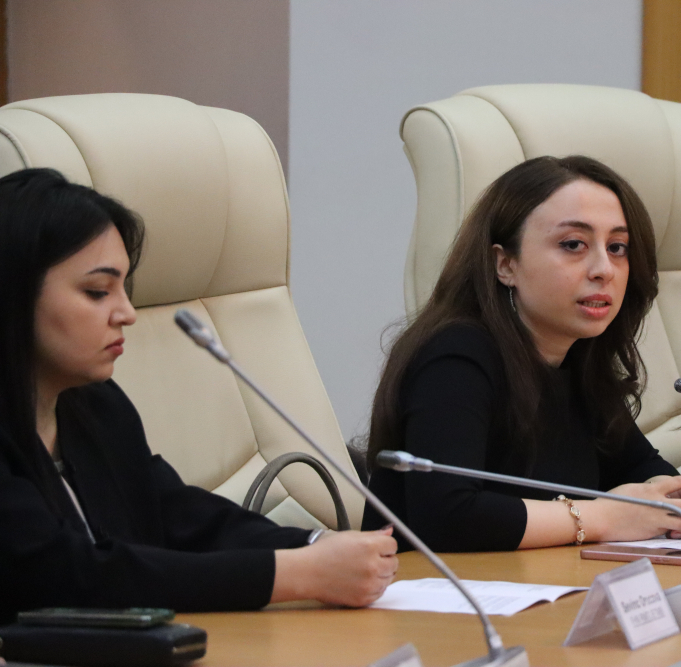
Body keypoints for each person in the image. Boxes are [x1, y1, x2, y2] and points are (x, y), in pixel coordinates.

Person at [0, 168, 397, 624]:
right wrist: (297, 574)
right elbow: (69, 575)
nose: (127, 313)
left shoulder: (95, 404)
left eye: (124, 289)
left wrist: (313, 545)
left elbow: (176, 514)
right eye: (97, 292)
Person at [361, 155, 681, 552]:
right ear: (505, 265)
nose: (604, 269)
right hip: (432, 586)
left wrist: (666, 497)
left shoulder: (578, 362)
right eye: (573, 245)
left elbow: (642, 468)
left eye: (618, 247)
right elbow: (447, 516)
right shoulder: (456, 355)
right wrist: (604, 517)